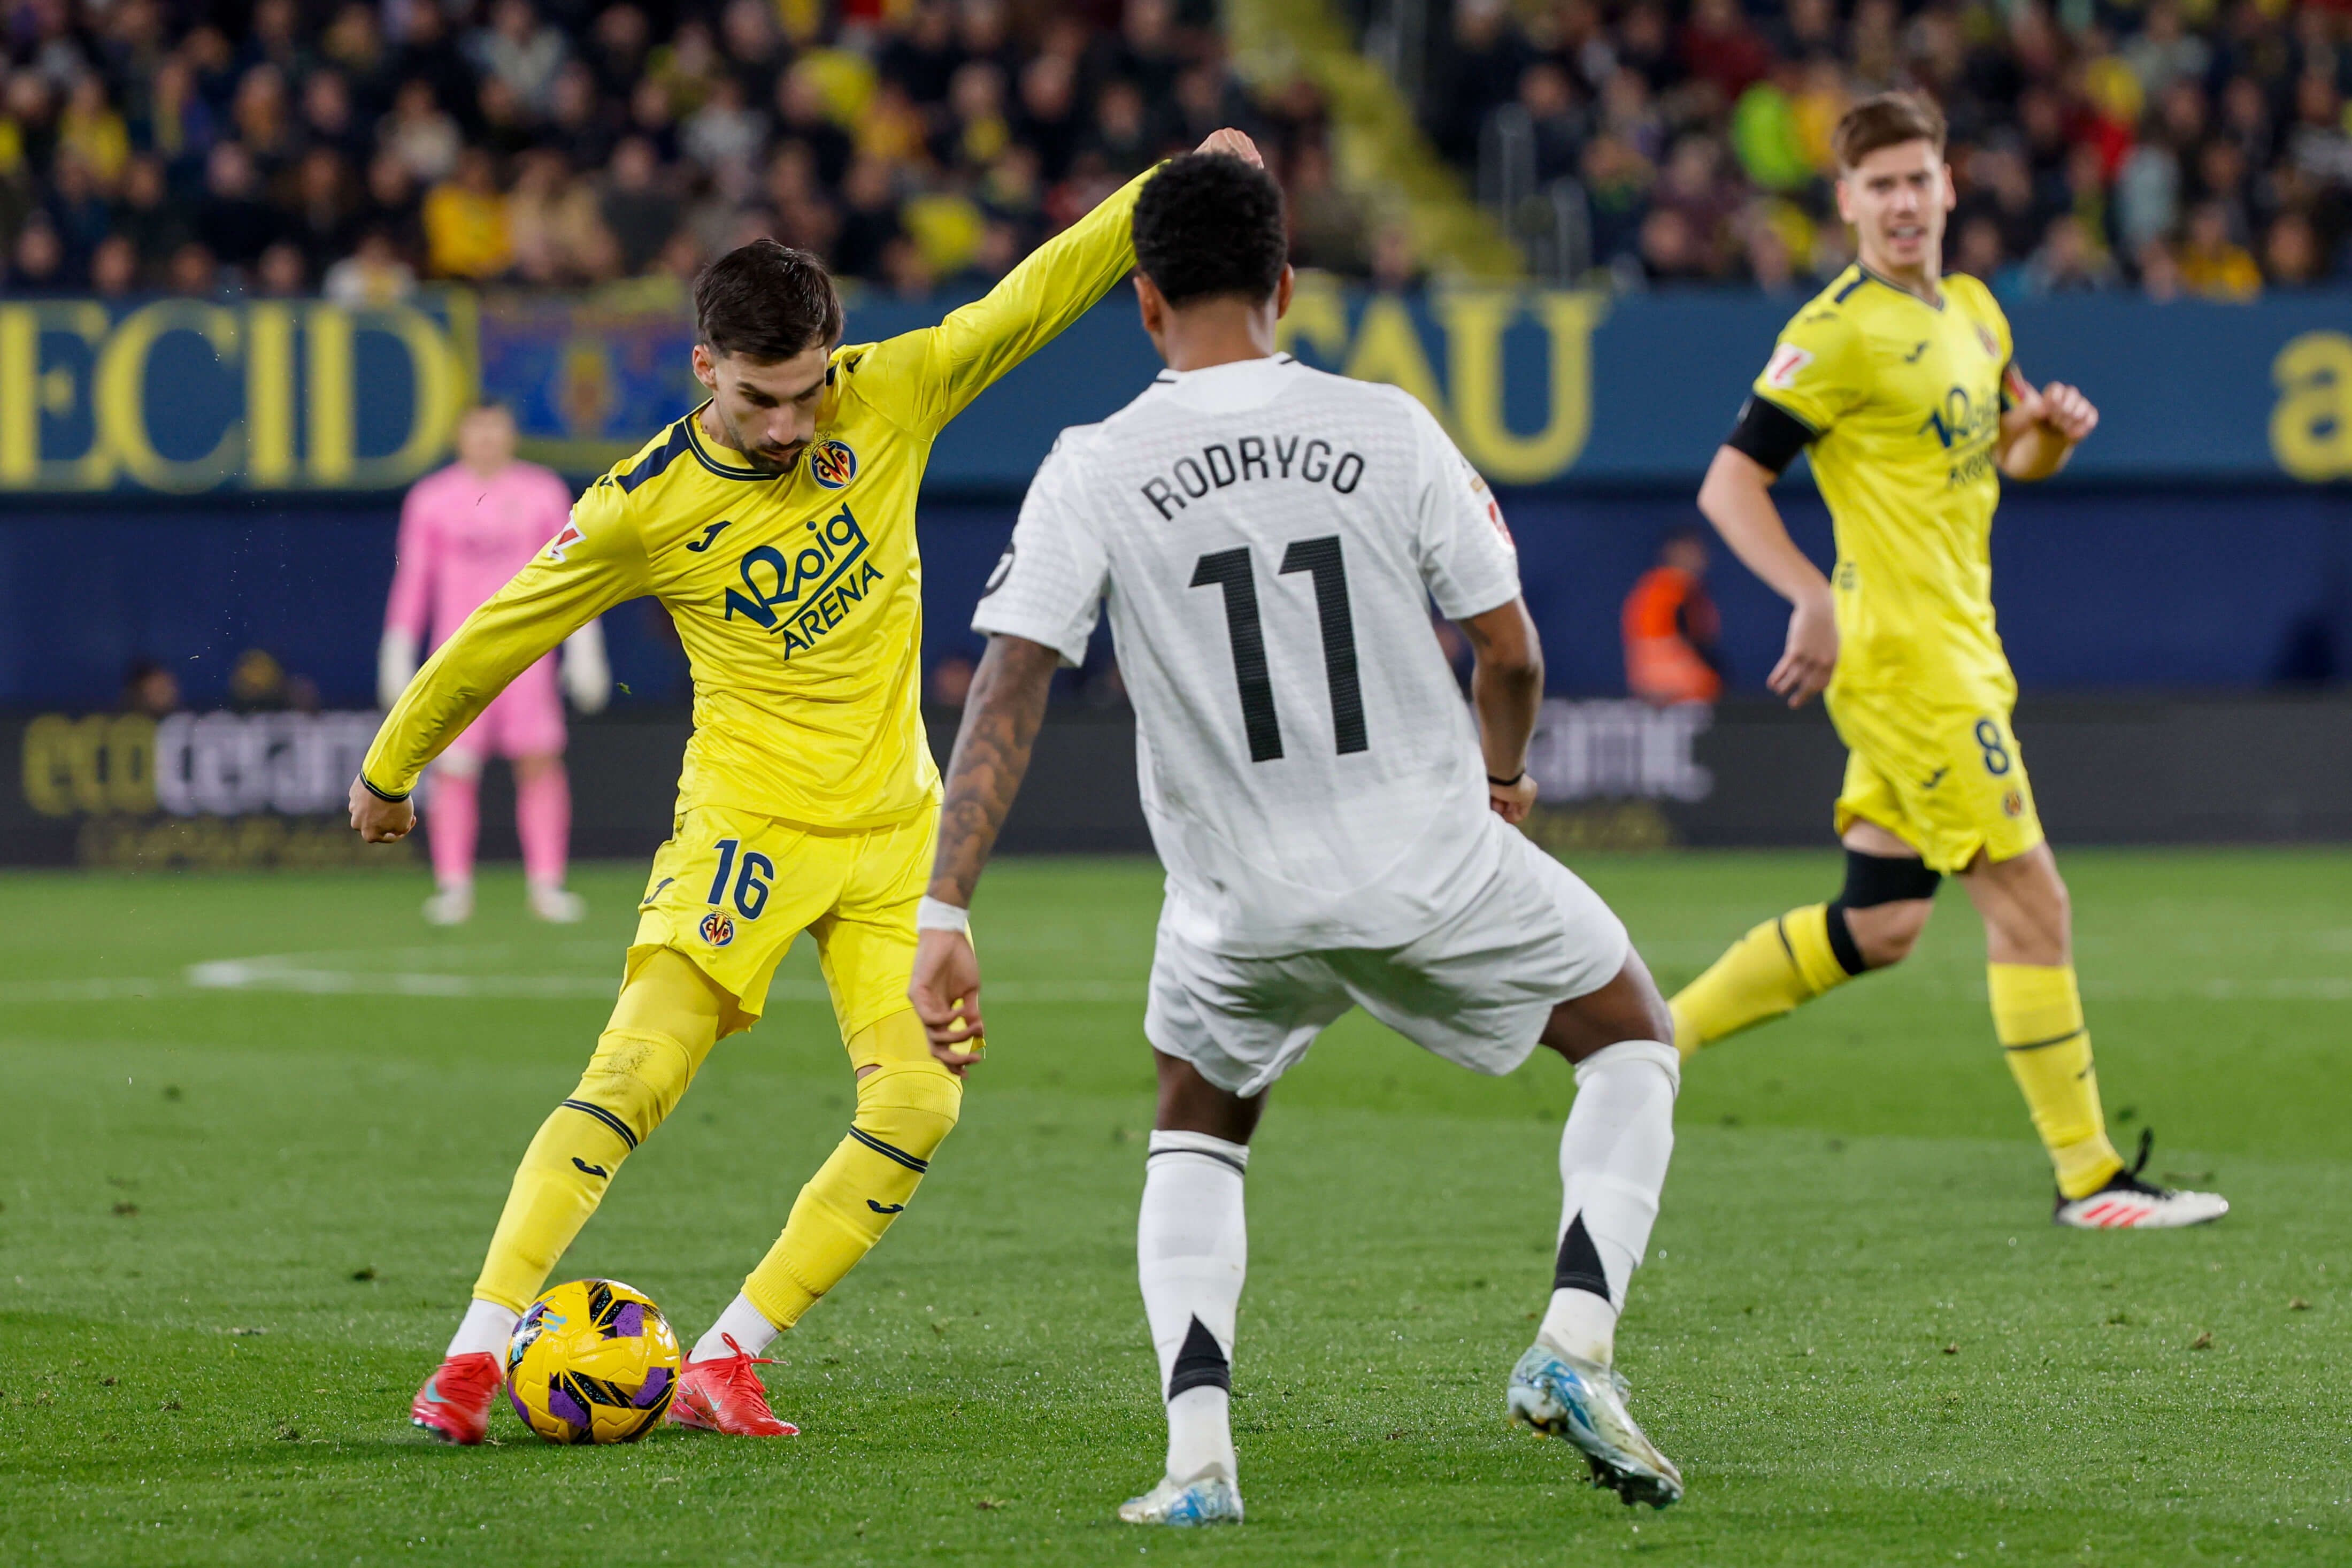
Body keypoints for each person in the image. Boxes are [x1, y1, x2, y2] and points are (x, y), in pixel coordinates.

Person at [351, 127, 1265, 1448]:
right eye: (757, 401)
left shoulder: (888, 394)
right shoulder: (639, 505)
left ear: (832, 354)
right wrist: (393, 766)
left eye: (805, 394)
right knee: (639, 1069)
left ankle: (729, 1353)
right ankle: (475, 1353)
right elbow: (503, 629)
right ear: (704, 366)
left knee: (919, 1101)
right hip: (748, 827)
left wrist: (1174, 186)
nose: (787, 425)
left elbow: (1041, 290)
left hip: (899, 830)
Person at [909, 152, 1687, 1525]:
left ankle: (1199, 1454)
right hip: (1433, 865)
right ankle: (1572, 1339)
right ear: (1286, 285)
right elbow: (1508, 648)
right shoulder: (1388, 427)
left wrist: (945, 911)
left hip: (1238, 905)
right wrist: (1502, 778)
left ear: (1142, 302)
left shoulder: (1091, 466)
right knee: (1631, 1036)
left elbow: (1009, 690)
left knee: (1198, 1119)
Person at [1673, 94, 2227, 1231]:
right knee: (2034, 904)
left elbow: (2013, 453)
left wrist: (2051, 432)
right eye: (1878, 185)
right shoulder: (1836, 332)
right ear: (1845, 202)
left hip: (1964, 640)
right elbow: (1730, 483)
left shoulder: (1976, 312)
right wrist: (1806, 592)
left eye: (1918, 178)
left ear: (1949, 186)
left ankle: (1646, 1039)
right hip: (1909, 661)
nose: (1903, 202)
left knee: (1881, 922)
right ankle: (2090, 1177)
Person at [380, 402, 608, 925]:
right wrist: (397, 648)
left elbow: (574, 572)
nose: (486, 439)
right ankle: (453, 885)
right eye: (476, 429)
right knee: (455, 769)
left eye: (495, 428)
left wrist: (585, 646)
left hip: (529, 655)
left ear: (510, 433)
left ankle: (547, 884)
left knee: (540, 761)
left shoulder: (543, 491)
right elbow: (414, 581)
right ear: (460, 435)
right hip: (457, 656)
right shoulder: (431, 498)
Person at [1621, 526, 1724, 705]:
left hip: (1684, 692)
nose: (1698, 559)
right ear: (1672, 552)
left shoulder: (1691, 593)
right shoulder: (1663, 591)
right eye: (1689, 552)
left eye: (1699, 553)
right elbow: (1655, 649)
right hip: (1670, 694)